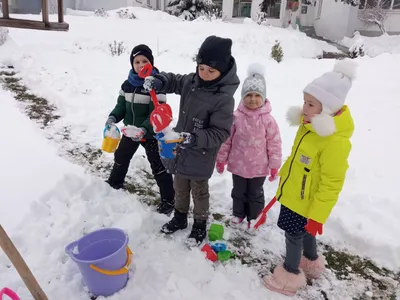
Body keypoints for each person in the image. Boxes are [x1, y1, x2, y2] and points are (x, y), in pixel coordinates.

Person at [263, 60, 356, 296]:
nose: (304, 107)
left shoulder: (334, 142)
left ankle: (290, 274)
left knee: (293, 235)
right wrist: (284, 176)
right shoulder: (309, 126)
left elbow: (331, 183)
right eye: (305, 101)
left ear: (328, 108)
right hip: (294, 193)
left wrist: (317, 216)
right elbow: (297, 158)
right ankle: (311, 260)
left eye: (311, 104)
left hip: (304, 201)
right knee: (305, 233)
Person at [143, 35, 240, 246]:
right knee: (180, 186)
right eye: (201, 68)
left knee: (199, 191)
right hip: (180, 149)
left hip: (200, 154)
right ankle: (179, 217)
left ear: (222, 71)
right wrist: (160, 80)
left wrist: (193, 138)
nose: (204, 74)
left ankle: (199, 224)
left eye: (211, 71)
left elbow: (220, 132)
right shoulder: (192, 81)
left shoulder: (223, 98)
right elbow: (175, 80)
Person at [105, 44, 175, 215]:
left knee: (159, 165)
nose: (140, 65)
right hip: (131, 131)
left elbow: (156, 113)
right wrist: (113, 117)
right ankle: (115, 182)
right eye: (137, 61)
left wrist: (144, 129)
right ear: (132, 64)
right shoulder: (127, 84)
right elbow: (121, 106)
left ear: (151, 63)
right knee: (121, 155)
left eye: (144, 61)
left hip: (151, 133)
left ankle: (169, 199)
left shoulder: (156, 85)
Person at [216, 63, 282, 230]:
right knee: (238, 192)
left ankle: (255, 216)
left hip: (259, 167)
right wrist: (221, 159)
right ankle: (238, 214)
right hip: (238, 165)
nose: (253, 99)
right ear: (243, 96)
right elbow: (227, 141)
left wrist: (274, 166)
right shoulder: (236, 117)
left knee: (255, 194)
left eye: (257, 95)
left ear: (263, 97)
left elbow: (274, 144)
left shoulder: (268, 120)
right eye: (249, 95)